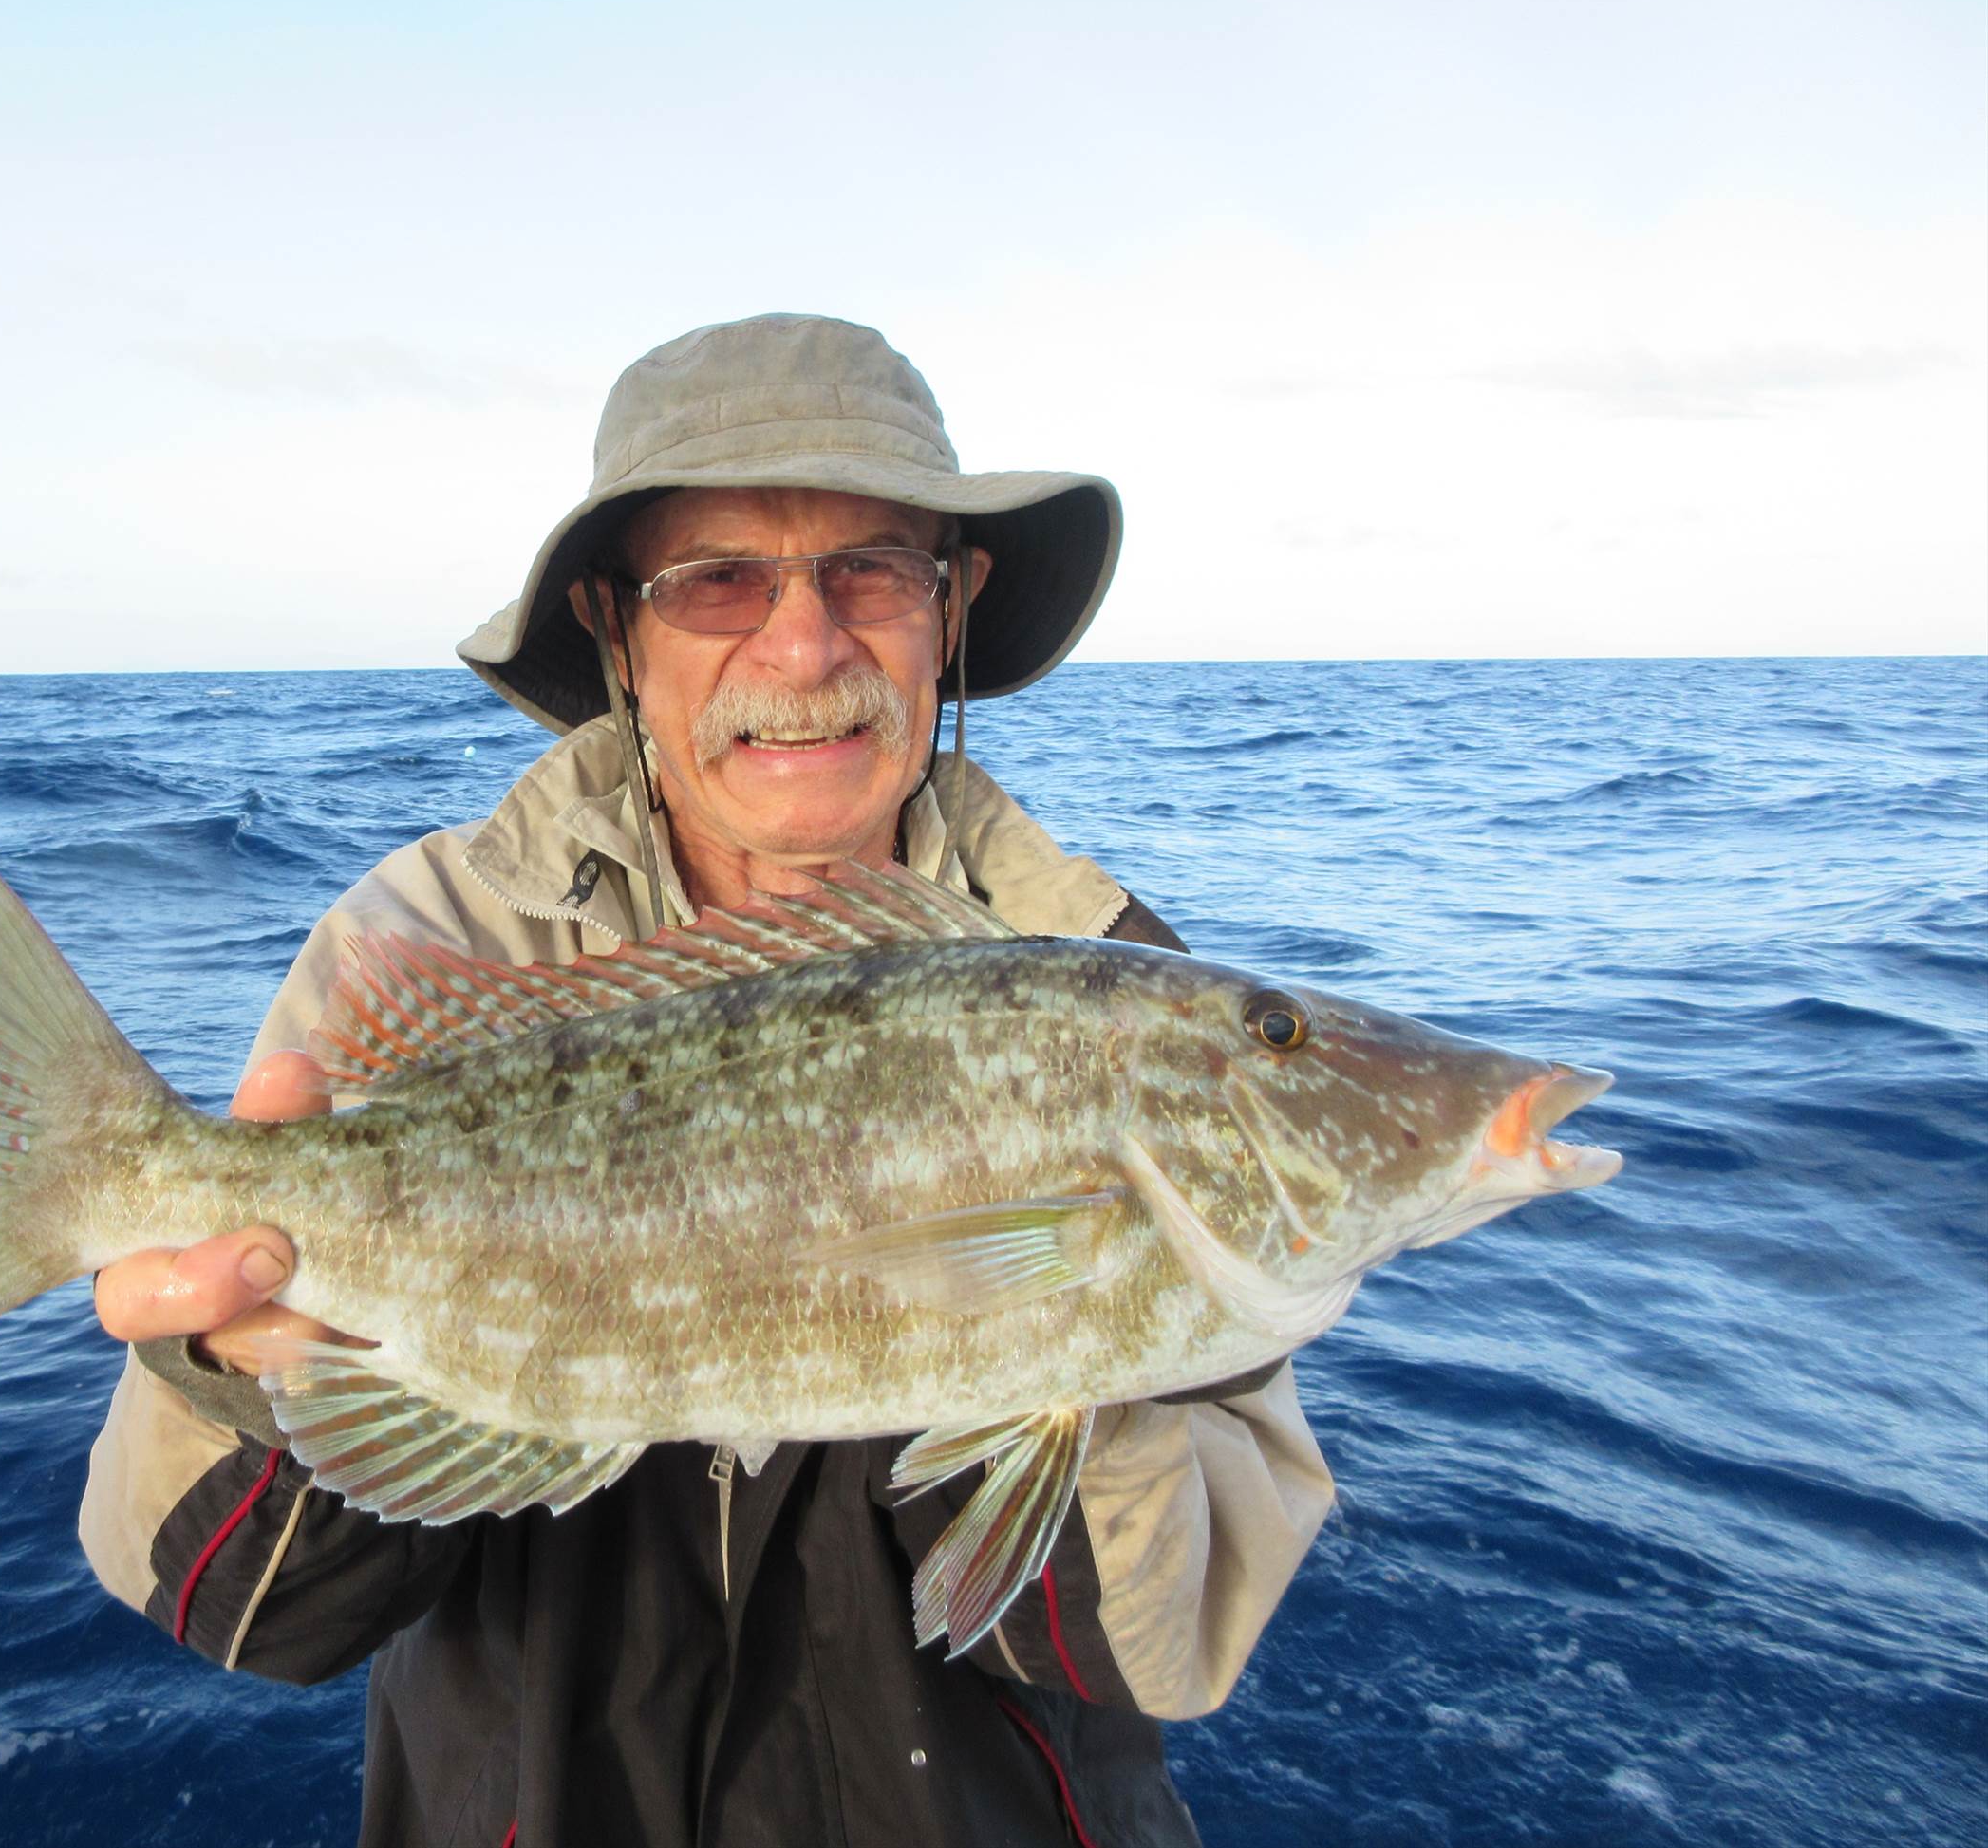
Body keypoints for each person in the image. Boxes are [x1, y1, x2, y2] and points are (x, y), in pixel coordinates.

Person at [78, 314, 1334, 1847]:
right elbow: (245, 1612)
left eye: (872, 570)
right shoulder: (430, 939)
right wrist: (257, 1376)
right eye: (719, 580)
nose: (804, 649)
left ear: (951, 605)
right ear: (616, 629)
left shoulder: (1118, 986)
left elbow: (1167, 1642)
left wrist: (1054, 1332)